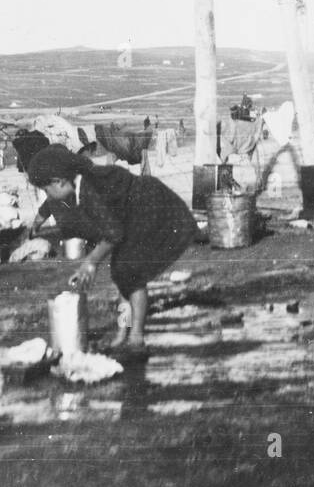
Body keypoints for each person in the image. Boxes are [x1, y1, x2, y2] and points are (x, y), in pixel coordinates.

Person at [27, 144, 197, 354]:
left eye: (46, 190)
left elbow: (114, 233)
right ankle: (122, 332)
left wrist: (91, 262)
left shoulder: (90, 190)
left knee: (132, 275)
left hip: (153, 209)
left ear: (59, 181)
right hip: (133, 217)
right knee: (121, 275)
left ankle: (136, 336)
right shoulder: (82, 186)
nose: (48, 196)